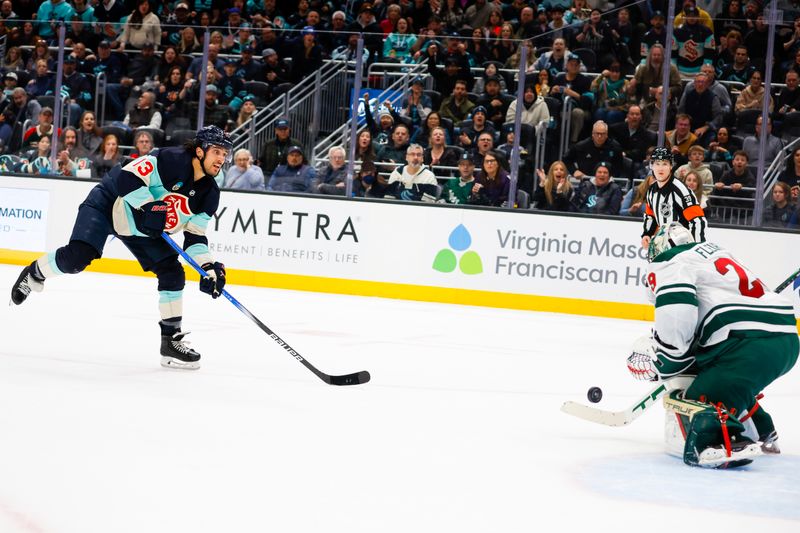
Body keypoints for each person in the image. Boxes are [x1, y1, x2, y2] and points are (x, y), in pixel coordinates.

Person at [10, 126, 233, 370]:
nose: (221, 159)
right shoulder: (170, 160)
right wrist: (149, 206)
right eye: (217, 152)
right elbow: (125, 177)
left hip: (143, 228)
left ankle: (170, 342)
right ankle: (34, 273)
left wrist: (208, 268)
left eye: (225, 154)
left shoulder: (210, 193)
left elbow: (195, 236)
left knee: (172, 272)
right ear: (200, 151)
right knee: (78, 257)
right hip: (109, 204)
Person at [627, 222, 797, 468]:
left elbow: (677, 309)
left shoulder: (670, 262)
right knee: (724, 379)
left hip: (747, 345)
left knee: (696, 399)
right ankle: (763, 431)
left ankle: (728, 439)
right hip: (786, 339)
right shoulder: (715, 252)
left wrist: (666, 360)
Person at [641, 147, 708, 249]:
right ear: (651, 166)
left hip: (682, 248)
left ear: (671, 166)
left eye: (665, 164)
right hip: (663, 246)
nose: (660, 168)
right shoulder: (651, 191)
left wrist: (695, 247)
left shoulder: (681, 190)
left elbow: (698, 220)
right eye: (657, 164)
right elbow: (650, 216)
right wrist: (647, 234)